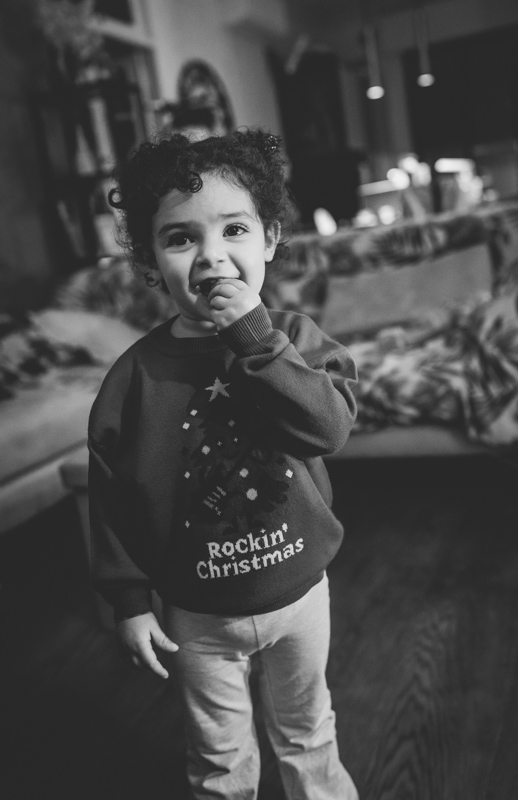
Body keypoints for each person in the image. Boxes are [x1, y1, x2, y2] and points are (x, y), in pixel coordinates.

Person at [88, 128, 359, 800]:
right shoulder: (134, 377)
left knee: (308, 732)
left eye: (233, 229)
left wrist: (255, 340)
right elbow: (110, 492)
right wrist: (128, 601)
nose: (212, 256)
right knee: (219, 756)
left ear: (269, 238)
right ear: (151, 261)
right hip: (197, 612)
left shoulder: (295, 340)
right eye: (181, 238)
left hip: (299, 592)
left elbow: (326, 428)